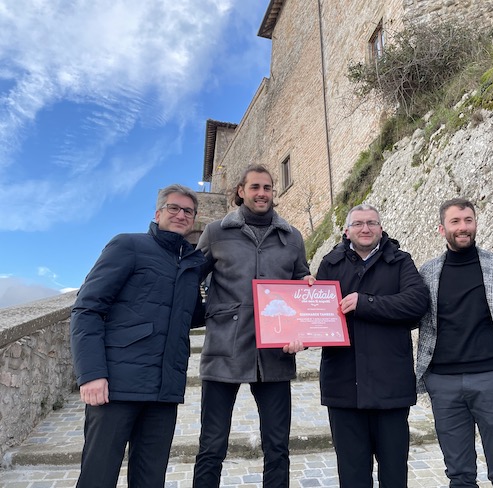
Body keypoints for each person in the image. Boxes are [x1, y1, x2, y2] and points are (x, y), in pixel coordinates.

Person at [70, 184, 206, 488]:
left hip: (164, 390)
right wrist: (91, 374)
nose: (181, 215)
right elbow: (87, 309)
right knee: (98, 477)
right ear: (158, 213)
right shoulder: (128, 245)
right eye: (174, 208)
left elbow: (192, 316)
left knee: (150, 479)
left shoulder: (191, 264)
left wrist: (242, 301)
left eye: (188, 211)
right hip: (117, 387)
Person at [192, 165, 313, 488]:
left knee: (277, 447)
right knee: (211, 446)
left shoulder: (292, 237)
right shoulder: (215, 232)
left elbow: (302, 283)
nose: (262, 193)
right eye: (255, 187)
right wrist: (206, 313)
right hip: (224, 350)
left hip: (275, 354)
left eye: (267, 187)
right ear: (241, 191)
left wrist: (304, 321)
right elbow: (190, 279)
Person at [315, 203, 429, 487]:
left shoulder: (401, 261)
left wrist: (365, 303)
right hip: (343, 386)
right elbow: (316, 315)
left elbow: (417, 302)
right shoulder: (330, 264)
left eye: (371, 223)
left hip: (390, 386)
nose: (365, 228)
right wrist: (299, 337)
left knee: (394, 474)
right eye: (358, 223)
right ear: (347, 231)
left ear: (381, 228)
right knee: (352, 476)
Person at [415, 197, 493, 488]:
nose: (463, 227)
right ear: (442, 229)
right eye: (455, 221)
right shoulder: (427, 272)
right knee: (459, 475)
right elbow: (409, 312)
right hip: (443, 383)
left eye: (468, 220)